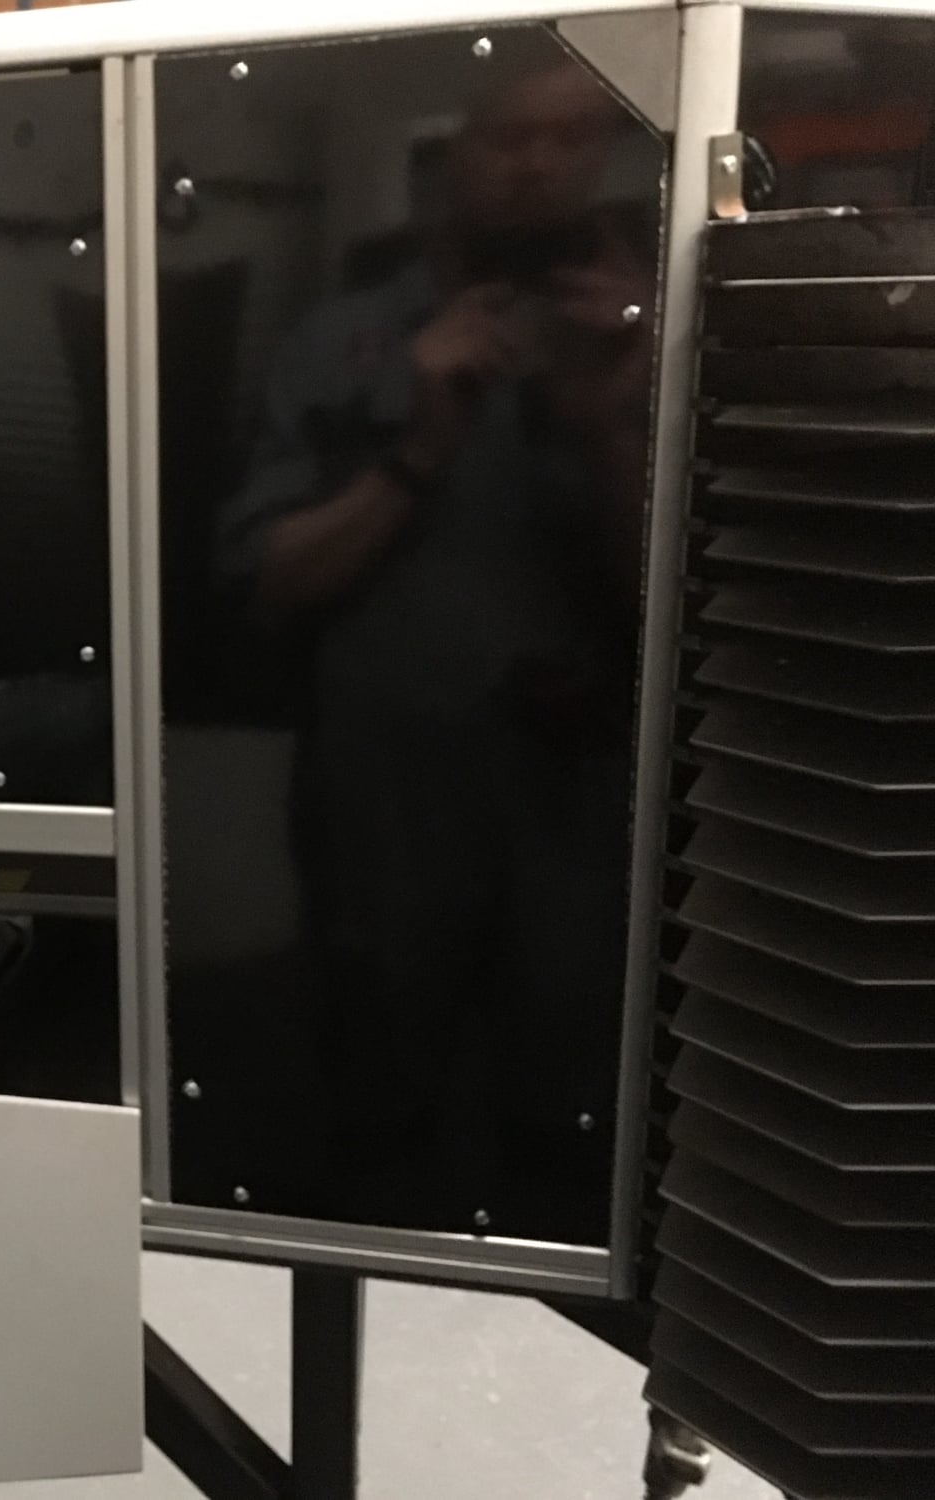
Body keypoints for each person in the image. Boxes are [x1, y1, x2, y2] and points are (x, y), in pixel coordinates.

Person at [220, 60, 656, 1231]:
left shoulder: (660, 340)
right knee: (370, 1104)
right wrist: (416, 449)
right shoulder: (344, 345)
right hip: (384, 800)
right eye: (508, 137)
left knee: (578, 1125)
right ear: (448, 157)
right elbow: (265, 588)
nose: (537, 165)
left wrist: (610, 429)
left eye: (570, 139)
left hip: (583, 803)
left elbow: (709, 625)